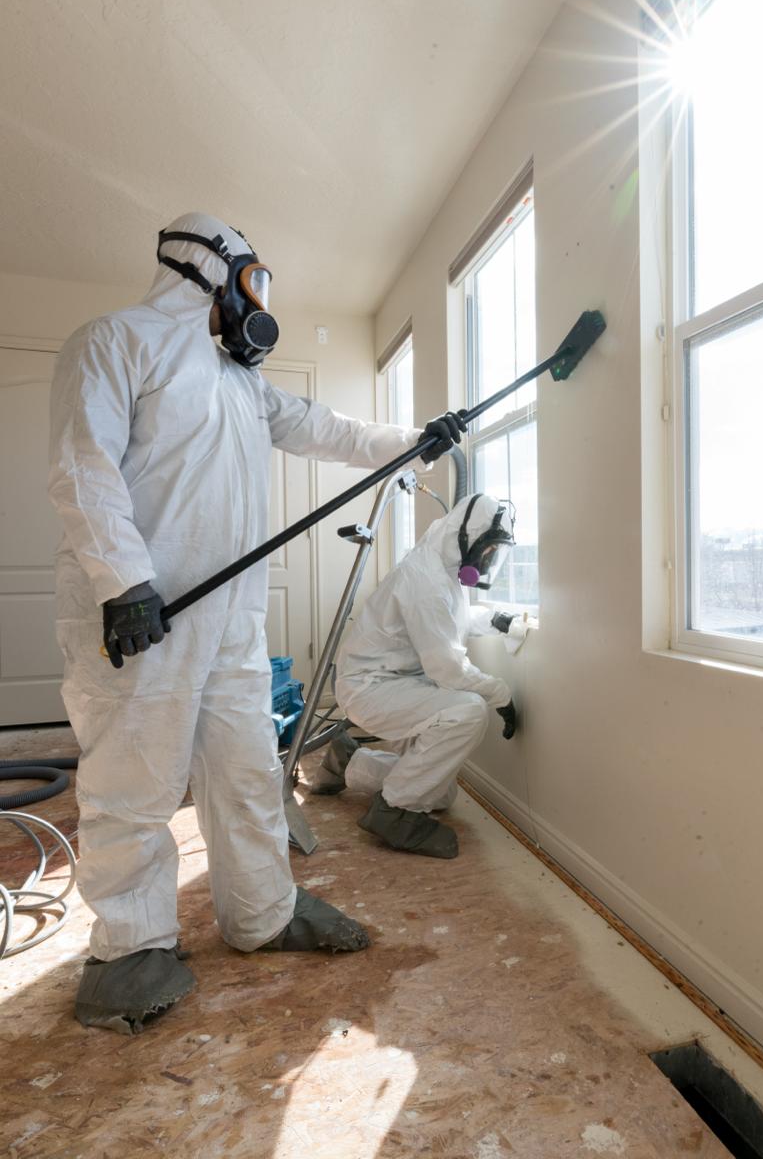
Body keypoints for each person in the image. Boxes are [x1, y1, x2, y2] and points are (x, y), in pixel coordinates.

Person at [47, 211, 466, 1034]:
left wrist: (416, 441)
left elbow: (325, 429)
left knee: (244, 774)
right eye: (253, 280)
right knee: (134, 786)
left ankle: (264, 914)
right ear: (211, 272)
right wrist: (124, 579)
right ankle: (129, 951)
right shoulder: (113, 340)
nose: (257, 301)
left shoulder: (240, 382)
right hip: (145, 615)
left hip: (231, 622)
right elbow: (80, 466)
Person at [313, 493, 522, 859]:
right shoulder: (424, 578)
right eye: (488, 551)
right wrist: (499, 694)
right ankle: (394, 813)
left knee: (440, 793)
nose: (488, 561)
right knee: (470, 710)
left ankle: (350, 761)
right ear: (469, 536)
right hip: (370, 686)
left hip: (397, 679)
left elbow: (447, 623)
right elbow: (448, 668)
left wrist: (492, 620)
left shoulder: (442, 566)